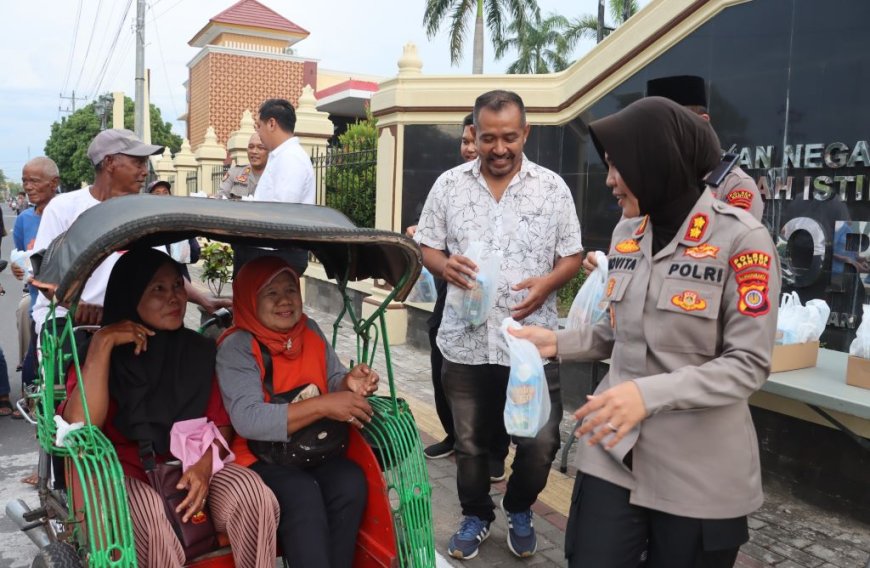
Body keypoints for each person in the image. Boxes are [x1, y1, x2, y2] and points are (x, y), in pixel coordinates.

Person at [512, 97, 780, 568]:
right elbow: (614, 331)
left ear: (659, 161)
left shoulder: (742, 240)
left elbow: (748, 364)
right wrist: (555, 341)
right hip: (614, 449)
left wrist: (645, 394)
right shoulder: (627, 234)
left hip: (699, 470)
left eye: (620, 167)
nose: (611, 181)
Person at [414, 90, 583, 560]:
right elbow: (426, 244)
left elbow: (571, 254)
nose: (499, 148)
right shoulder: (449, 185)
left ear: (525, 133)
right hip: (464, 345)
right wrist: (443, 267)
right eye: (488, 138)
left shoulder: (552, 189)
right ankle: (476, 514)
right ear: (475, 134)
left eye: (510, 137)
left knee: (541, 441)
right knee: (469, 445)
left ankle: (520, 505)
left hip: (530, 346)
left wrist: (548, 283)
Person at [60, 248, 279, 568]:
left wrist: (205, 466)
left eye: (177, 286)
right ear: (130, 295)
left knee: (254, 496)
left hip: (190, 468)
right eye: (157, 289)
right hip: (125, 473)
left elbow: (220, 423)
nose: (174, 298)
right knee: (148, 513)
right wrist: (103, 343)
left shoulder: (200, 350)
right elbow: (81, 426)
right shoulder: (93, 358)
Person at [216, 255, 378, 568]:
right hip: (258, 457)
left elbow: (331, 378)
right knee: (301, 493)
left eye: (290, 290)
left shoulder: (310, 330)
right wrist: (324, 404)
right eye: (271, 293)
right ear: (250, 298)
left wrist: (348, 382)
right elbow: (248, 419)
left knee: (350, 480)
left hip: (311, 447)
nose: (284, 301)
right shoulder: (237, 346)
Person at [32, 129, 225, 337]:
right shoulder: (63, 208)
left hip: (131, 322)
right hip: (70, 322)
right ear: (109, 163)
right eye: (138, 163)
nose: (144, 171)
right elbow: (42, 278)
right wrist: (76, 305)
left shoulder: (144, 212)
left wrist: (204, 300)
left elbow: (161, 271)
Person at [407, 113, 509, 482]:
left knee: (496, 372)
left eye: (474, 140)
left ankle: (496, 448)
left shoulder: (514, 187)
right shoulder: (450, 186)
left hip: (498, 303)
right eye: (466, 142)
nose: (470, 148)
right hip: (454, 296)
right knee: (443, 363)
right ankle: (454, 432)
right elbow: (431, 242)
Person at [231, 99, 315, 276]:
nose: (257, 132)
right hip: (268, 250)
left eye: (258, 125)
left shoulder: (291, 158)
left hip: (276, 253)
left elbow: (281, 212)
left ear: (271, 124)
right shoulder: (280, 156)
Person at [7, 157, 58, 424]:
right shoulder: (24, 218)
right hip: (37, 296)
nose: (28, 186)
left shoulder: (65, 213)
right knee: (26, 313)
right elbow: (20, 255)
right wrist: (19, 270)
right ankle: (30, 395)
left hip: (63, 299)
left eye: (34, 181)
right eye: (25, 181)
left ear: (54, 184)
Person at [218, 133, 268, 200]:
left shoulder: (277, 176)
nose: (254, 151)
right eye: (251, 147)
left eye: (260, 147)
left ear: (269, 151)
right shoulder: (234, 173)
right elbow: (220, 198)